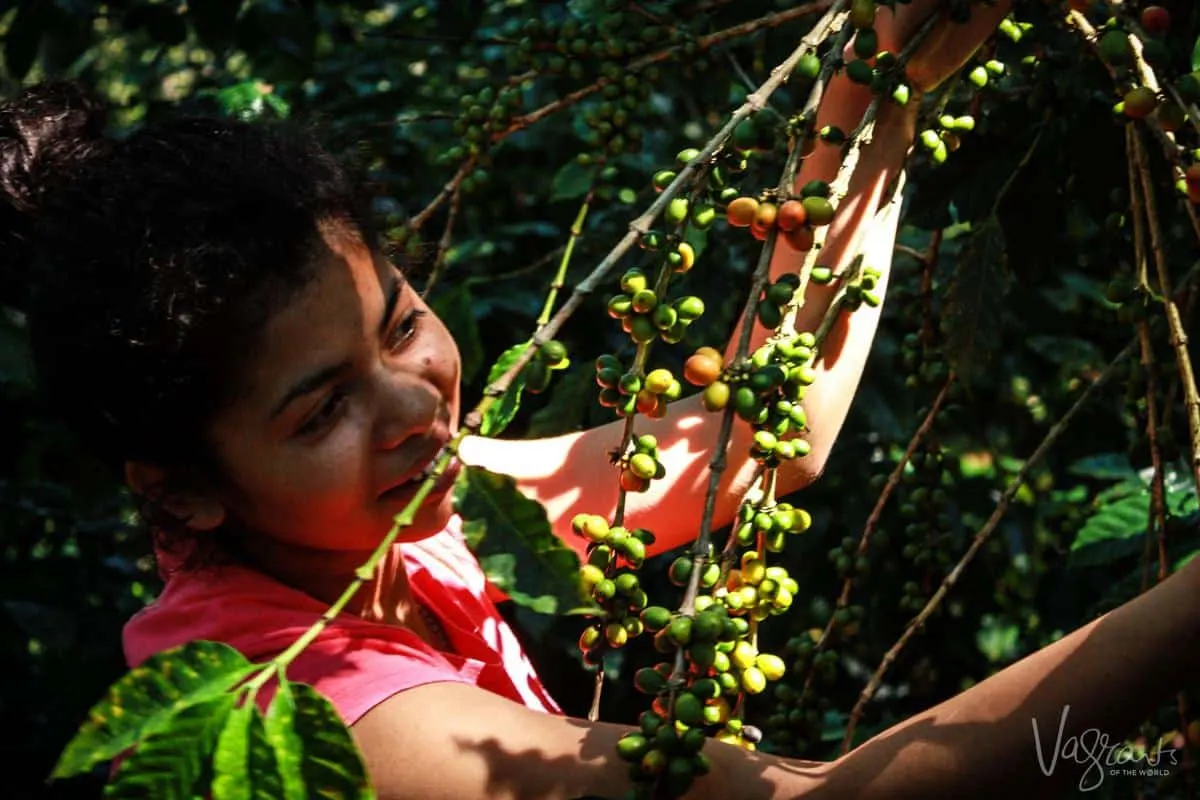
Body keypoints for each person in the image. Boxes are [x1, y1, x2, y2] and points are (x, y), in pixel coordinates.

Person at [4, 2, 1199, 798]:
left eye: (404, 323)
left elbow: (747, 454)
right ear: (181, 489)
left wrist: (878, 82)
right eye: (320, 411)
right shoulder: (313, 706)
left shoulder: (387, 509)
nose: (416, 402)